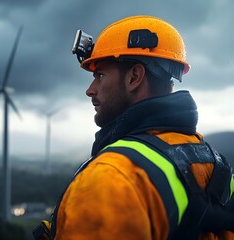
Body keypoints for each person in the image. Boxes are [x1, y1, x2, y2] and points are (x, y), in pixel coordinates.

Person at [33, 16, 234, 240]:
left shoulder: (110, 177)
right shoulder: (213, 162)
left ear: (135, 77)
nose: (90, 90)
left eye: (100, 75)